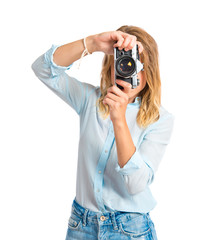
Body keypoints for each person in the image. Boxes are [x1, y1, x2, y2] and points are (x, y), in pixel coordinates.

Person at [31, 25, 175, 240]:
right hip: (82, 224)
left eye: (135, 64)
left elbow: (136, 185)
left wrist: (119, 119)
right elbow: (42, 68)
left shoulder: (160, 119)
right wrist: (92, 43)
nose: (129, 70)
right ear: (111, 65)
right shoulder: (90, 100)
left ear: (149, 69)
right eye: (123, 62)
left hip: (130, 229)